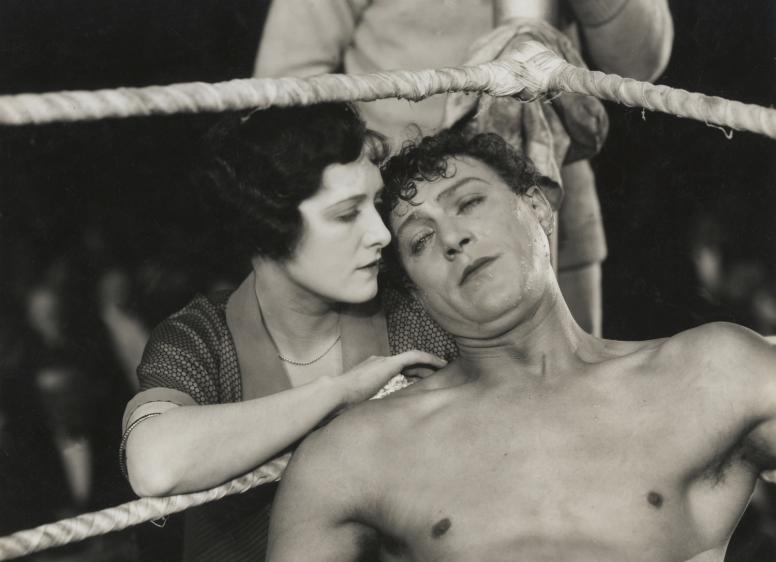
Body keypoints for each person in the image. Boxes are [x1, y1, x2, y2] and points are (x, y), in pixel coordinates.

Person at [266, 130, 776, 562]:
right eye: (420, 240)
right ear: (413, 290)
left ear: (537, 207)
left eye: (469, 203)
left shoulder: (709, 371)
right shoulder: (358, 451)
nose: (452, 238)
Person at [120, 103, 450, 561]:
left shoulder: (414, 314)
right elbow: (154, 465)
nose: (381, 234)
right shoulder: (200, 336)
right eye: (345, 215)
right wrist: (340, 392)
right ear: (267, 227)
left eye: (375, 206)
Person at [254, 0, 674, 336]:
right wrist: (370, 182)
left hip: (551, 204)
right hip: (410, 232)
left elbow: (639, 67)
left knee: (571, 392)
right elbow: (282, 92)